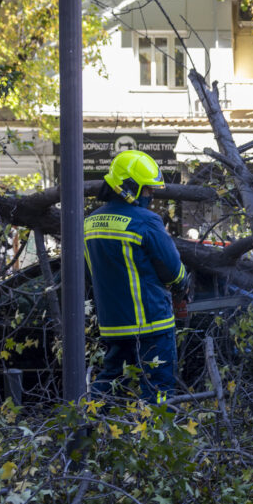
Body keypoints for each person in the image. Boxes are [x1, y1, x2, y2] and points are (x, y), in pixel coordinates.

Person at [84, 149, 191, 404]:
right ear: (130, 187)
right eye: (147, 189)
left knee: (111, 385)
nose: (151, 195)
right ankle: (157, 431)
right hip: (151, 323)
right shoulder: (145, 221)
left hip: (113, 324)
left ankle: (89, 424)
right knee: (158, 391)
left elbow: (90, 273)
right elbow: (173, 270)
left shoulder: (90, 223)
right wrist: (182, 285)